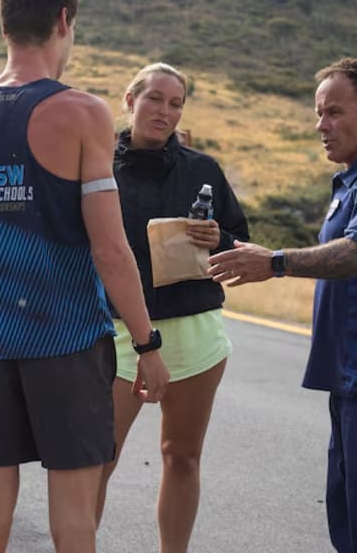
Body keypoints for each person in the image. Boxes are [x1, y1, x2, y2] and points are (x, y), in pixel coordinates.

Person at [0, 0, 170, 553]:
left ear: (4, 25)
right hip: (69, 343)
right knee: (74, 523)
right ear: (64, 21)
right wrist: (147, 345)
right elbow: (111, 251)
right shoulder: (82, 113)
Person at [208, 58, 357, 553]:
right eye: (319, 113)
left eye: (334, 112)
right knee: (355, 520)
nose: (321, 125)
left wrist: (275, 262)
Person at [95, 63, 249, 551]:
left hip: (194, 333)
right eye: (155, 99)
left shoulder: (203, 170)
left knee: (182, 456)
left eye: (176, 103)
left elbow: (240, 244)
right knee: (98, 460)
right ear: (130, 100)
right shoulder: (97, 166)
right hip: (118, 334)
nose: (165, 111)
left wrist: (218, 236)